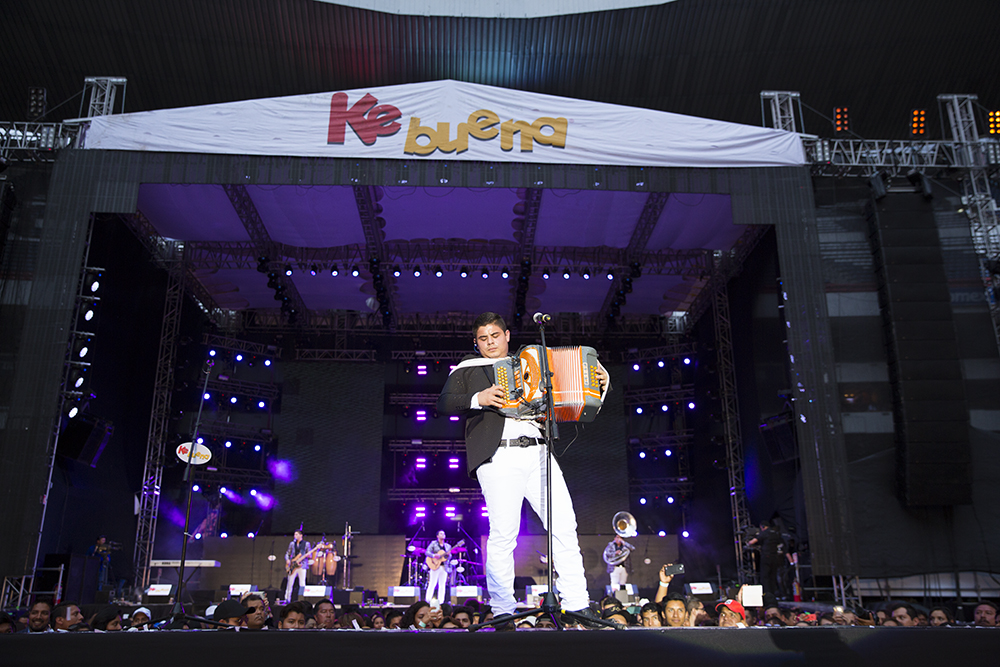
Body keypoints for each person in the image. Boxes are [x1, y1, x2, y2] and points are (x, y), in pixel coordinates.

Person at [437, 312, 609, 626]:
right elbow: (444, 402)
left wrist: (599, 381)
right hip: (499, 456)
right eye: (483, 338)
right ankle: (503, 610)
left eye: (495, 336)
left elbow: (569, 387)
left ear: (507, 335)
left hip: (540, 452)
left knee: (564, 526)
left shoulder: (532, 362)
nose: (490, 343)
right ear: (476, 343)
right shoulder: (468, 367)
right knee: (504, 534)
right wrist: (478, 397)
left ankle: (577, 603)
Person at [425, 530, 455, 605]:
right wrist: (434, 555)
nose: (443, 535)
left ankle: (441, 602)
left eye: (444, 533)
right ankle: (427, 600)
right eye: (441, 533)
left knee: (442, 585)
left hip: (444, 567)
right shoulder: (433, 543)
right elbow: (427, 552)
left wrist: (448, 555)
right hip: (435, 565)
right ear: (437, 536)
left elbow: (449, 557)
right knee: (432, 583)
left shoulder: (447, 546)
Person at [284, 529, 313, 603]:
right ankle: (287, 599)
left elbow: (310, 555)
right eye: (294, 534)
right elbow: (287, 553)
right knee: (290, 583)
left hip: (302, 565)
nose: (295, 536)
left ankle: (302, 600)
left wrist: (308, 555)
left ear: (301, 535)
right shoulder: (292, 544)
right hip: (293, 565)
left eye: (296, 534)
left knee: (302, 583)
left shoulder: (306, 544)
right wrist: (287, 560)